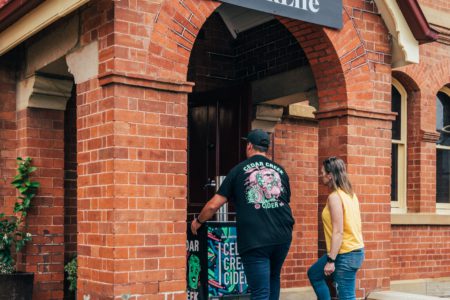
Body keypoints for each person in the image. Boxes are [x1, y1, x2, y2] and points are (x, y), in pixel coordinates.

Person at [191, 129, 295, 300]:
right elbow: (284, 200)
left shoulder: (238, 170)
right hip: (282, 236)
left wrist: (198, 221)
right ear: (266, 148)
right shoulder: (280, 171)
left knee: (260, 292)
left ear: (249, 146)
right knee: (273, 278)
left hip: (256, 239)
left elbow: (212, 206)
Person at [307, 157, 365, 300]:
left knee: (347, 297)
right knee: (314, 273)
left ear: (330, 175)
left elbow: (338, 231)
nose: (321, 175)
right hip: (352, 251)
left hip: (345, 253)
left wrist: (331, 261)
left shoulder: (335, 197)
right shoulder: (350, 195)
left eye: (322, 172)